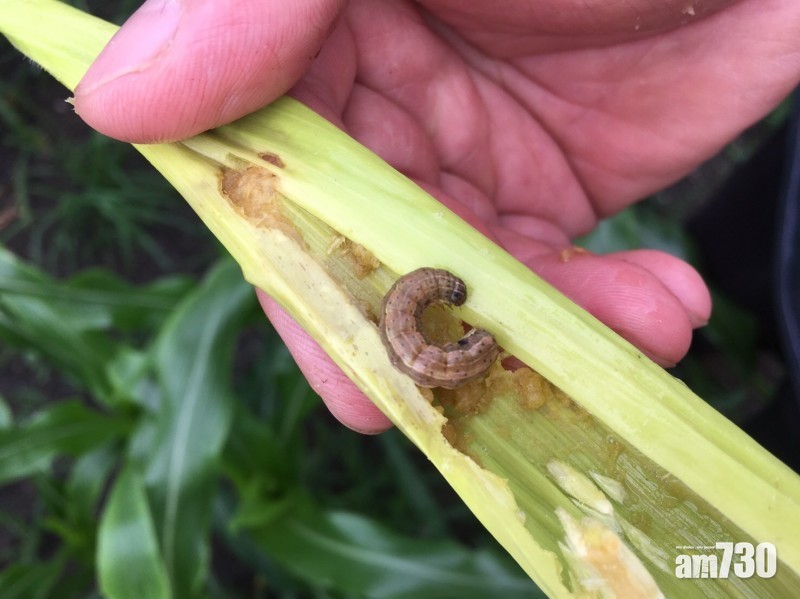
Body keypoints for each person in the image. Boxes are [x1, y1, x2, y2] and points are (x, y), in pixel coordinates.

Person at [73, 0, 800, 433]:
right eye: (458, 315)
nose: (457, 310)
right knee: (733, 260)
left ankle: (740, 347)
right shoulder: (428, 314)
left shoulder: (430, 316)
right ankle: (744, 335)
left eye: (454, 317)